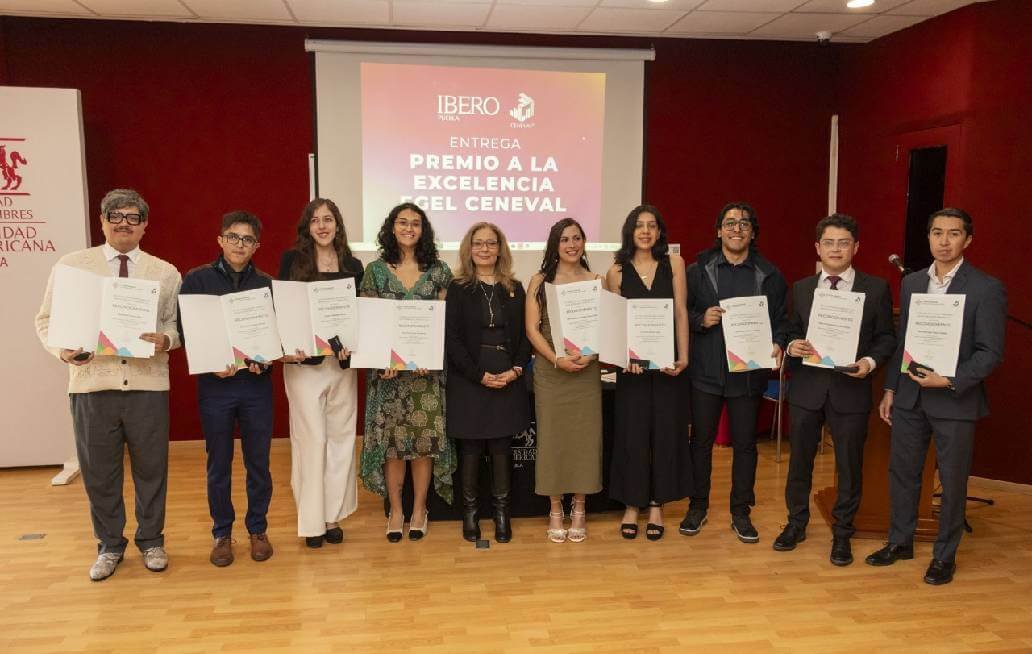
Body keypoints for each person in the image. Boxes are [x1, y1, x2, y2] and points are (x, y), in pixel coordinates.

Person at [34, 188, 181, 581]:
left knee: (152, 470)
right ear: (101, 221)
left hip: (148, 386)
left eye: (133, 217)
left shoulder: (164, 272)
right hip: (91, 386)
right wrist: (63, 351)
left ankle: (151, 540)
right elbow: (46, 320)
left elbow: (173, 325)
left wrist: (166, 340)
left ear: (145, 225)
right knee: (99, 472)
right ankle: (110, 546)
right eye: (115, 215)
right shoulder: (71, 267)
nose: (123, 223)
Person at [866, 208, 1006, 585]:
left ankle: (945, 556)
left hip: (954, 399)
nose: (944, 241)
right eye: (937, 233)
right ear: (928, 238)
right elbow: (904, 342)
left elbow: (990, 352)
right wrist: (892, 387)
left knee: (954, 479)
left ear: (968, 240)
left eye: (954, 234)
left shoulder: (986, 288)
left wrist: (948, 379)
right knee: (903, 473)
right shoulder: (912, 283)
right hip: (910, 397)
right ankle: (900, 542)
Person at [776, 213, 895, 565]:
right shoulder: (800, 288)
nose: (836, 248)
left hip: (850, 389)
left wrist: (870, 363)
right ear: (817, 247)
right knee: (799, 462)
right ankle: (796, 524)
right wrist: (793, 343)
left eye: (844, 242)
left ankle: (843, 533)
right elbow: (789, 329)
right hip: (808, 390)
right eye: (829, 242)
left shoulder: (875, 289)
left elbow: (887, 337)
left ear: (856, 247)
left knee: (849, 465)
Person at [681, 202, 789, 544]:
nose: (737, 229)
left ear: (753, 232)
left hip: (747, 374)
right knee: (700, 443)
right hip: (706, 372)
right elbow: (681, 313)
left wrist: (779, 342)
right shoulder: (698, 270)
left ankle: (741, 512)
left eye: (744, 224)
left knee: (745, 446)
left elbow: (783, 320)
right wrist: (701, 320)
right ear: (718, 231)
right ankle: (697, 507)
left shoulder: (769, 274)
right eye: (730, 223)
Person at [178, 210, 276, 566]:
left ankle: (258, 529)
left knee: (259, 463)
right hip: (215, 387)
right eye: (233, 237)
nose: (239, 244)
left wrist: (265, 357)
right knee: (218, 462)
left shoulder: (266, 284)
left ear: (256, 246)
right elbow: (187, 331)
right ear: (220, 240)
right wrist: (209, 361)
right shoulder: (196, 281)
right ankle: (222, 533)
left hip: (255, 386)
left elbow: (273, 335)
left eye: (247, 239)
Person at [359, 202, 455, 542]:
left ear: (423, 230)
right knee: (393, 446)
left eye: (416, 223)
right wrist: (377, 359)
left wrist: (433, 354)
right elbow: (368, 323)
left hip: (426, 377)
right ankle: (396, 509)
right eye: (403, 222)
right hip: (388, 376)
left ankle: (419, 510)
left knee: (424, 444)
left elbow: (445, 325)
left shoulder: (440, 271)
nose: (409, 228)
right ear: (391, 227)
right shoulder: (374, 271)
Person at [279, 198, 365, 549]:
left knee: (342, 440)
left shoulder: (354, 265)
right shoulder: (292, 261)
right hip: (305, 366)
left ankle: (332, 517)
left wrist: (353, 345)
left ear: (338, 225)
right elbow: (283, 309)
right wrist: (290, 343)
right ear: (307, 227)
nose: (322, 226)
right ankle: (311, 521)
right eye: (315, 220)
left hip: (341, 366)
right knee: (311, 440)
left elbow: (359, 315)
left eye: (328, 219)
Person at [605, 205, 691, 541]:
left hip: (668, 365)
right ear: (629, 231)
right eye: (639, 226)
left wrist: (683, 356)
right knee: (633, 434)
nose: (645, 231)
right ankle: (632, 503)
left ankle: (656, 504)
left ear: (659, 232)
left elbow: (681, 312)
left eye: (651, 226)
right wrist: (618, 357)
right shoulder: (616, 270)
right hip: (633, 368)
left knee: (666, 434)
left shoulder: (675, 263)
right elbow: (614, 321)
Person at [446, 222, 531, 544]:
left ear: (500, 248)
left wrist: (517, 369)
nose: (484, 249)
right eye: (478, 243)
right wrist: (478, 375)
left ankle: (501, 513)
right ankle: (469, 514)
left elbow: (525, 336)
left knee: (500, 447)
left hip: (508, 377)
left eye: (491, 243)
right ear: (469, 249)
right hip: (470, 378)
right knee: (469, 447)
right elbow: (451, 339)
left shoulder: (515, 287)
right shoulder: (458, 288)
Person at [525, 217, 606, 543]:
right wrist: (556, 358)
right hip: (551, 373)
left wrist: (592, 353)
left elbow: (606, 326)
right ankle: (556, 508)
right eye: (564, 239)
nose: (571, 245)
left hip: (586, 373)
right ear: (554, 245)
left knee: (585, 440)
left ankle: (581, 508)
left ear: (584, 242)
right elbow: (532, 329)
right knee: (553, 440)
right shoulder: (539, 281)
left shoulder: (597, 281)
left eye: (577, 238)